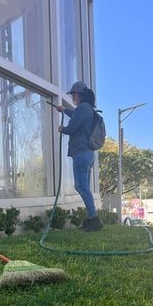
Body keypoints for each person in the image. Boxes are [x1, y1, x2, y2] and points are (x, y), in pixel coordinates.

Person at [56, 81, 103, 232]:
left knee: (81, 186)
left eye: (73, 95)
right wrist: (64, 110)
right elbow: (75, 115)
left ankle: (95, 219)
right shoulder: (87, 109)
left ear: (78, 94)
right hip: (87, 154)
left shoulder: (82, 108)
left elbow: (72, 128)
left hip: (81, 154)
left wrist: (63, 129)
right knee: (84, 187)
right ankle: (91, 219)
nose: (73, 98)